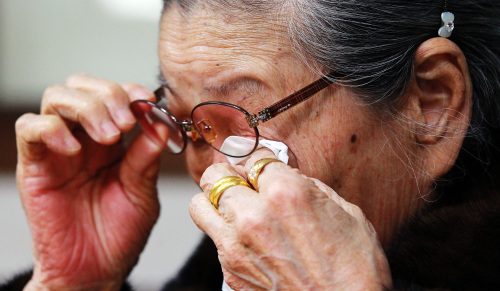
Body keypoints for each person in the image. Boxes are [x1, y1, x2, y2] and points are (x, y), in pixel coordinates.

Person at [2, 0, 500, 290]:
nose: (210, 177)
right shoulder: (255, 235)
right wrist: (71, 282)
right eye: (184, 119)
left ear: (431, 104)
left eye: (238, 115)